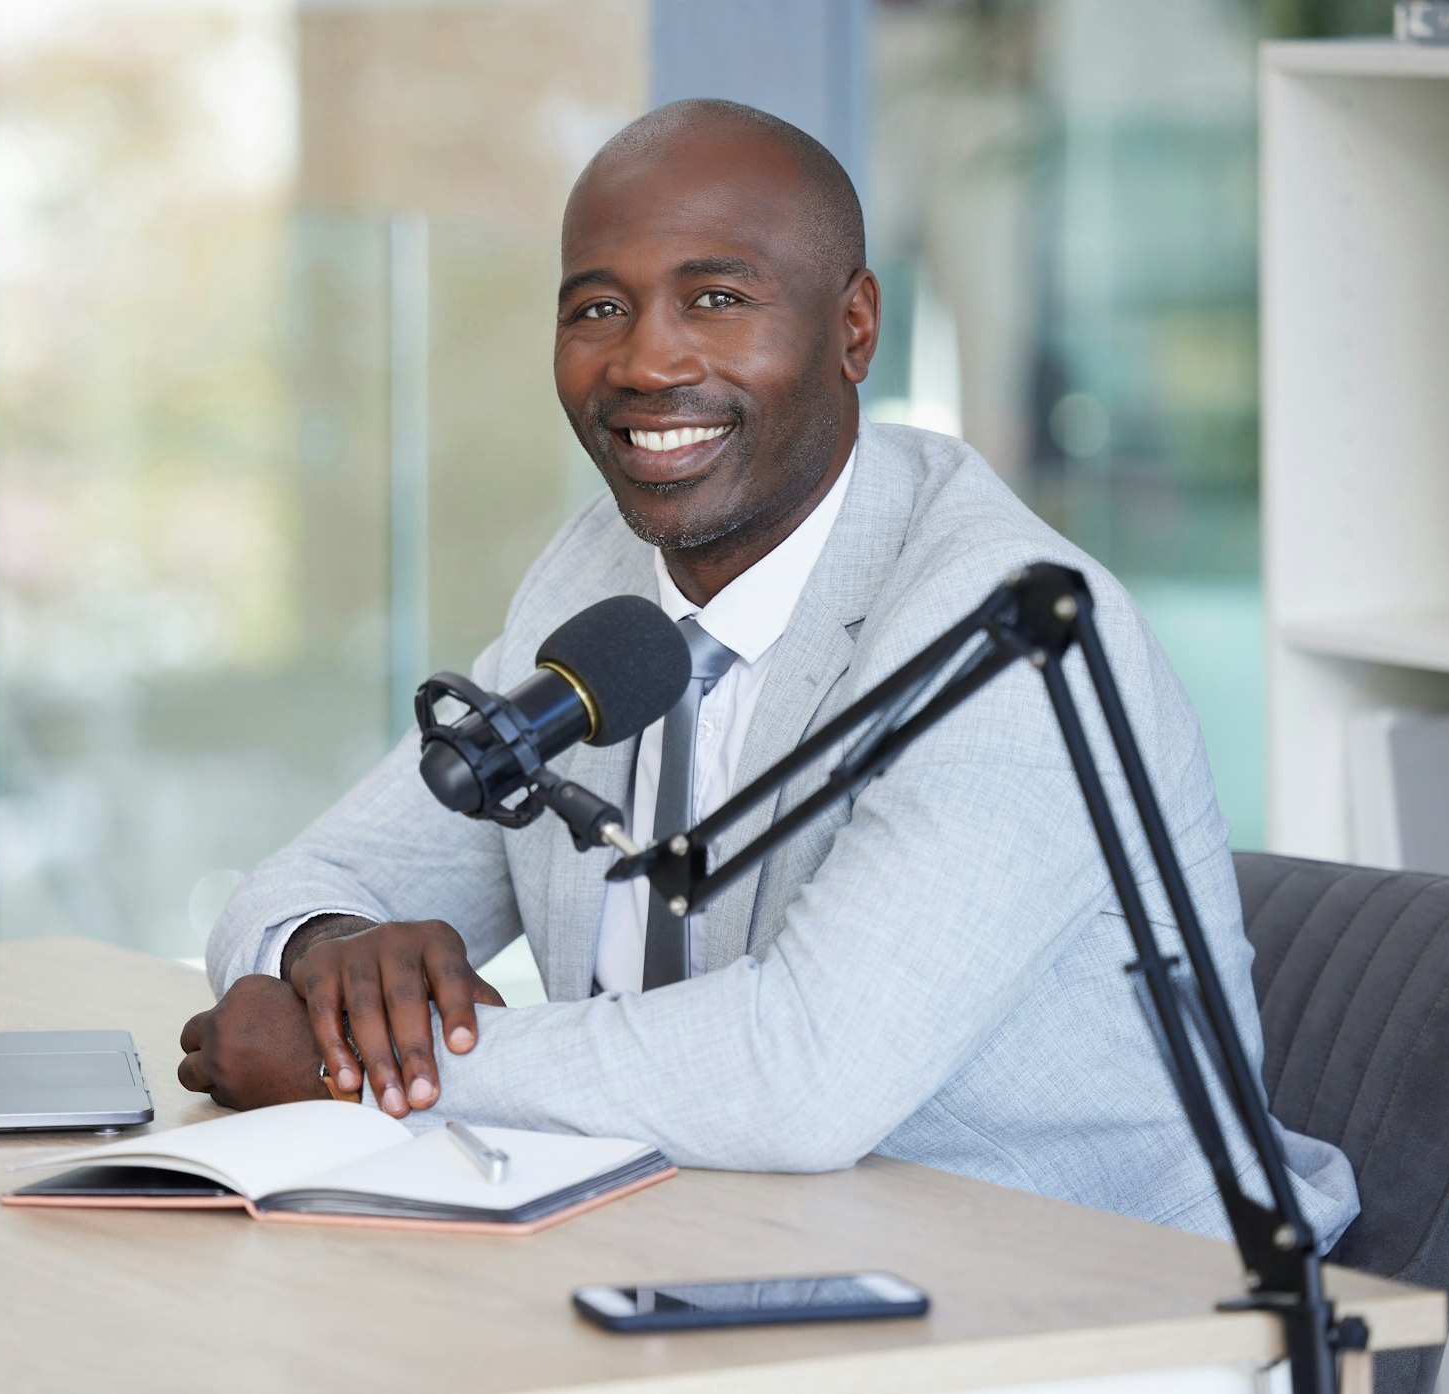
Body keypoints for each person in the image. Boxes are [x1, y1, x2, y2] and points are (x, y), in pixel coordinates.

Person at [178, 98, 1359, 1245]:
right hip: (712, 1253)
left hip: (1091, 1298)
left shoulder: (1002, 627)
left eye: (716, 297)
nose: (644, 361)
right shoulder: (598, 572)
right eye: (596, 307)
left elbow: (803, 1069)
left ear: (852, 328)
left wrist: (354, 1072)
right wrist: (330, 954)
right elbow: (303, 883)